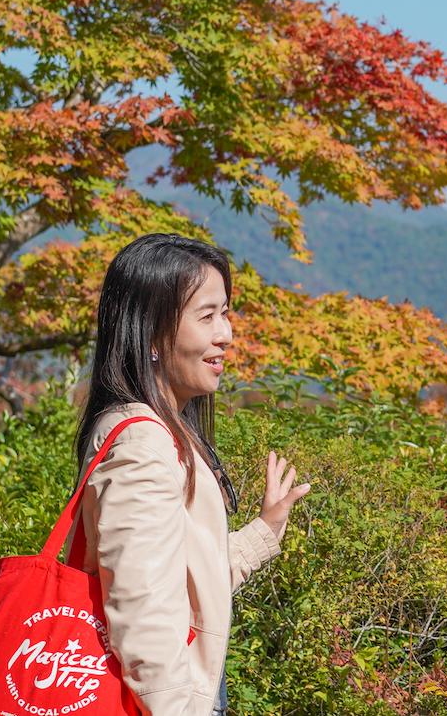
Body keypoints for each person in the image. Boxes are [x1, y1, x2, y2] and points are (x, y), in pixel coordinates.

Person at [71, 233, 314, 716]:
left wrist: (263, 533)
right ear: (153, 334)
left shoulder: (154, 429)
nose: (225, 334)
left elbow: (177, 584)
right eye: (207, 316)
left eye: (225, 313)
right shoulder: (142, 443)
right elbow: (144, 616)